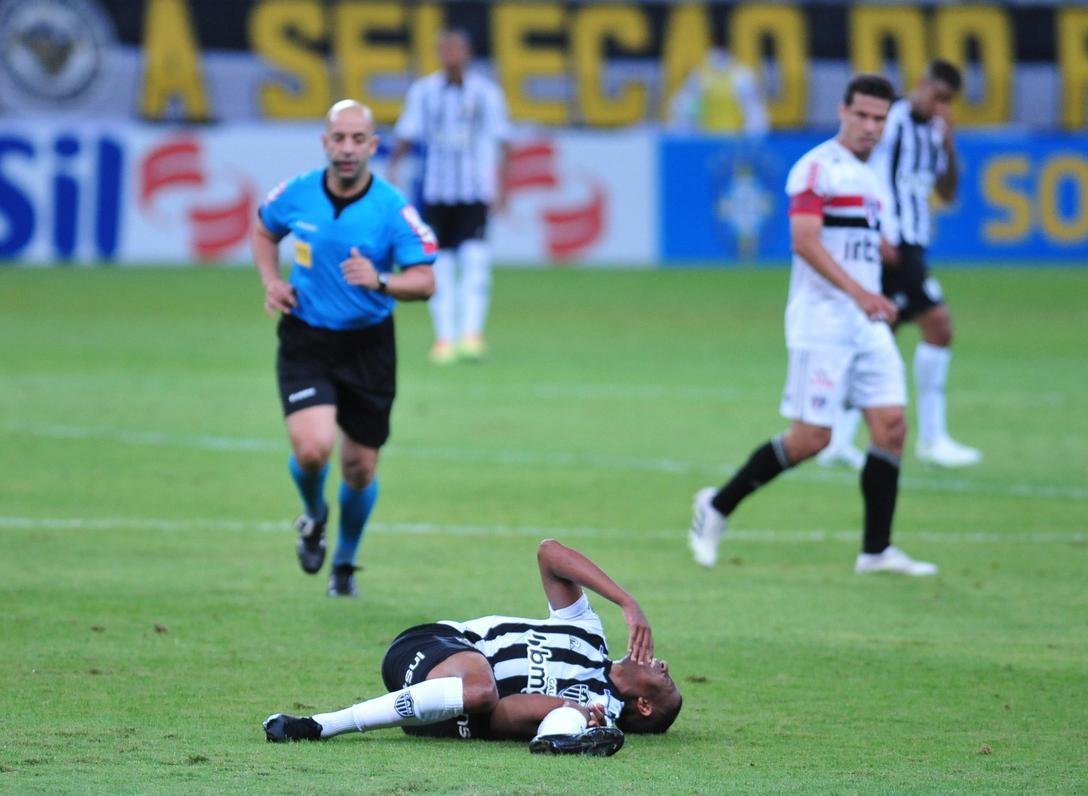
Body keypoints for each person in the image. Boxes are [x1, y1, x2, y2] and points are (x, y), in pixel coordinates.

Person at [689, 74, 938, 577]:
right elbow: (804, 241)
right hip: (822, 323)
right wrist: (862, 292)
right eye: (862, 115)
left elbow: (873, 247)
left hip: (866, 324)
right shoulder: (816, 170)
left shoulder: (872, 182)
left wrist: (887, 275)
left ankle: (876, 550)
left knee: (891, 428)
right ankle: (716, 506)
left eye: (879, 119)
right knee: (812, 439)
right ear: (843, 112)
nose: (870, 126)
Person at [251, 100, 437, 597]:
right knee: (312, 450)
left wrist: (379, 280)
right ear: (325, 142)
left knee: (359, 467)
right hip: (307, 336)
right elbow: (265, 229)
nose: (348, 149)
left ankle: (345, 563)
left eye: (359, 139)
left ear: (373, 146)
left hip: (368, 347)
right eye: (340, 138)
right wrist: (271, 280)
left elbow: (425, 281)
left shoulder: (392, 209)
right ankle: (313, 517)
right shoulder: (297, 193)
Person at [262, 539, 682, 753]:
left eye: (666, 678)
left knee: (546, 708)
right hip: (430, 647)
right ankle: (320, 725)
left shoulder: (598, 715)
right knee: (482, 688)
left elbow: (501, 715)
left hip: (449, 719)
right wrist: (626, 601)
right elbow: (550, 553)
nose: (663, 665)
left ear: (644, 706)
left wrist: (577, 717)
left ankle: (558, 742)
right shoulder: (587, 632)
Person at [819, 61, 980, 469]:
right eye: (935, 94)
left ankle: (836, 437)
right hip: (893, 242)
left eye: (947, 100)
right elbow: (859, 164)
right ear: (921, 85)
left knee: (876, 335)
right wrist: (875, 229)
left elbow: (947, 190)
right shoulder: (891, 122)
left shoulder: (934, 132)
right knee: (938, 326)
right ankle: (932, 437)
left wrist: (949, 143)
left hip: (914, 241)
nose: (938, 104)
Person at [388, 28, 511, 365]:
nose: (452, 55)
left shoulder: (486, 93)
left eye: (457, 49)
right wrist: (393, 169)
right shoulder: (424, 92)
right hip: (435, 193)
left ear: (468, 53)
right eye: (446, 49)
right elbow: (406, 134)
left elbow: (504, 142)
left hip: (474, 193)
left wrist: (504, 188)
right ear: (439, 53)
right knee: (439, 268)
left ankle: (472, 335)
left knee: (475, 265)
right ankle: (444, 338)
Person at [665, 35, 769, 137]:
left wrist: (751, 140)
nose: (718, 56)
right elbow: (683, 109)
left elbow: (755, 114)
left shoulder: (742, 76)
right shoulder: (698, 76)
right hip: (705, 139)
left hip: (735, 140)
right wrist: (688, 135)